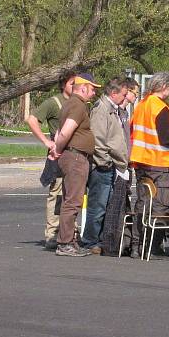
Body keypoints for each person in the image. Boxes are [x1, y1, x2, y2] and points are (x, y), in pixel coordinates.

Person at [129, 72, 169, 258]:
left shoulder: (141, 106)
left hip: (141, 162)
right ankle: (152, 247)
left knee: (142, 205)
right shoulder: (160, 108)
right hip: (160, 164)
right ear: (163, 86)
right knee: (160, 207)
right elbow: (165, 139)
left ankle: (136, 246)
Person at [48, 73, 101, 257]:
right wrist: (58, 149)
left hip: (74, 156)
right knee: (72, 201)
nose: (94, 93)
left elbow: (60, 132)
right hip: (75, 157)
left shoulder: (71, 103)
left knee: (71, 200)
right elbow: (65, 132)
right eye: (92, 89)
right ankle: (65, 243)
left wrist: (58, 148)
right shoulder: (78, 105)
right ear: (83, 87)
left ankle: (68, 241)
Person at [25, 69, 77, 250]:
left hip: (76, 155)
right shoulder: (54, 103)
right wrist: (46, 142)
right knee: (56, 193)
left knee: (73, 194)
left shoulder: (80, 103)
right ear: (64, 84)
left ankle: (70, 232)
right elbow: (32, 119)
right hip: (59, 154)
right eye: (72, 83)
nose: (75, 87)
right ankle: (52, 234)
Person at [80, 77, 130, 254]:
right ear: (113, 93)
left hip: (111, 165)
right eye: (123, 94)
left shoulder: (113, 110)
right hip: (102, 167)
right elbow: (99, 140)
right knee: (98, 206)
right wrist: (105, 162)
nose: (125, 98)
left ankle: (101, 241)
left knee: (106, 205)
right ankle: (89, 241)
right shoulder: (101, 110)